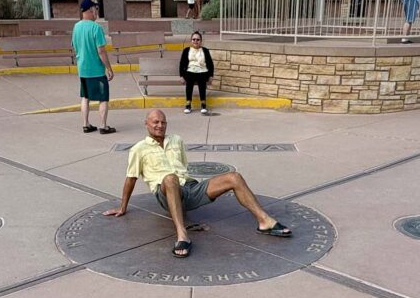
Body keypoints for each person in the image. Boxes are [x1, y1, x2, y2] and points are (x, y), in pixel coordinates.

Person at [103, 110, 292, 258]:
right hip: (164, 192)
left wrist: (186, 188)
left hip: (190, 187)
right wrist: (122, 206)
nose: (160, 125)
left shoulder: (176, 140)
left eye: (163, 122)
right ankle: (182, 235)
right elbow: (131, 178)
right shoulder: (139, 149)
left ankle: (264, 221)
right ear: (146, 124)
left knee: (234, 177)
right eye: (155, 122)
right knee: (170, 178)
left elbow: (184, 167)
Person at [71, 0, 115, 134]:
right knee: (103, 98)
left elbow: (74, 47)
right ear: (90, 10)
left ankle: (86, 124)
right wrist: (108, 68)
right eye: (95, 9)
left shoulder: (76, 27)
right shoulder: (96, 28)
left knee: (85, 97)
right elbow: (101, 51)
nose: (97, 12)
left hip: (82, 69)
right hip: (96, 70)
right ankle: (103, 126)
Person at [179, 31, 214, 114]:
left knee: (201, 79)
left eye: (198, 39)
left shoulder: (205, 50)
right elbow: (182, 64)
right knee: (189, 79)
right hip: (190, 71)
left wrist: (211, 76)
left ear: (201, 41)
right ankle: (188, 104)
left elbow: (210, 64)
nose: (195, 41)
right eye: (194, 39)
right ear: (191, 41)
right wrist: (181, 76)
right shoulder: (186, 50)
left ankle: (203, 103)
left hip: (203, 71)